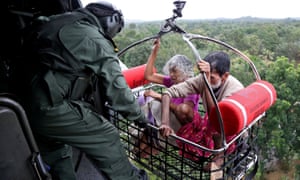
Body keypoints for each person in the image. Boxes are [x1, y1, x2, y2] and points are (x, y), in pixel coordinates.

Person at [25, 1, 148, 179]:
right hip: (50, 106)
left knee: (58, 152)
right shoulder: (93, 38)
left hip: (26, 102)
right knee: (107, 136)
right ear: (113, 20)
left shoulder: (58, 21)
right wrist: (141, 119)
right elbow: (118, 90)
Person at [160, 51, 244, 174]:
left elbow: (217, 118)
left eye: (212, 78)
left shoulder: (234, 89)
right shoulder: (203, 79)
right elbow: (168, 93)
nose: (207, 79)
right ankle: (202, 149)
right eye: (205, 76)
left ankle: (219, 156)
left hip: (230, 130)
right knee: (193, 130)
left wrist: (206, 85)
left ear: (225, 76)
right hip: (211, 123)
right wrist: (165, 122)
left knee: (218, 126)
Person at [134, 38, 200, 157]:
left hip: (178, 126)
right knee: (137, 149)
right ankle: (148, 137)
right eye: (170, 71)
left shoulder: (192, 88)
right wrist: (155, 51)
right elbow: (149, 75)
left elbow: (182, 111)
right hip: (162, 121)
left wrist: (158, 96)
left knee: (143, 151)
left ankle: (155, 143)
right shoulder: (173, 82)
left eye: (174, 71)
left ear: (185, 71)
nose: (171, 75)